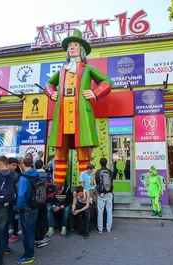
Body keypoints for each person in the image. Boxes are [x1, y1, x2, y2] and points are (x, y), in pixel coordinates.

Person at [44, 29, 112, 186]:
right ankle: (58, 188)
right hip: (62, 116)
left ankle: (86, 188)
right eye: (69, 46)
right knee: (60, 152)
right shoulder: (62, 70)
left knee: (83, 152)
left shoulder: (88, 69)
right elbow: (48, 84)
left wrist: (95, 92)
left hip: (80, 115)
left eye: (75, 45)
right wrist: (51, 93)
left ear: (81, 49)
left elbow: (107, 81)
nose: (71, 48)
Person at [15, 157, 39, 264]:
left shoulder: (23, 178)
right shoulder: (35, 173)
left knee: (26, 232)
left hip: (26, 207)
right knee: (32, 230)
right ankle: (30, 252)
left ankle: (29, 255)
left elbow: (21, 195)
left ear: (23, 165)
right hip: (35, 205)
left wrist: (18, 207)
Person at [33, 159, 50, 248]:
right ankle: (42, 237)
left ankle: (35, 237)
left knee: (35, 219)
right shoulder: (46, 174)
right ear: (43, 165)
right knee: (43, 219)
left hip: (35, 200)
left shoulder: (33, 174)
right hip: (44, 200)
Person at [95, 158, 113, 233]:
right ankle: (108, 228)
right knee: (109, 211)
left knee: (100, 211)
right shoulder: (110, 172)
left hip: (101, 193)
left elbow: (97, 182)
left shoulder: (98, 172)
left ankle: (100, 229)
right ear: (106, 163)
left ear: (100, 163)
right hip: (109, 193)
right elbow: (111, 181)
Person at [8, 157, 21, 245]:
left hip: (13, 199)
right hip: (7, 199)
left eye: (15, 165)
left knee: (13, 217)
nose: (14, 167)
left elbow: (17, 188)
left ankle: (15, 234)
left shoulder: (16, 175)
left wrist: (17, 199)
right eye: (13, 165)